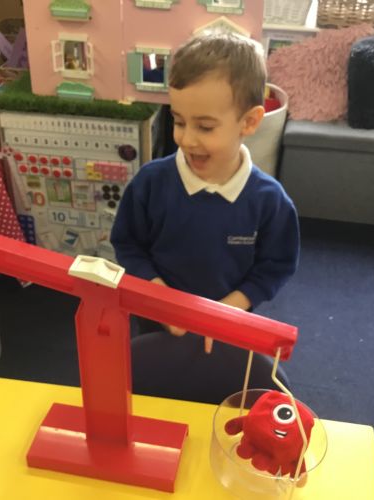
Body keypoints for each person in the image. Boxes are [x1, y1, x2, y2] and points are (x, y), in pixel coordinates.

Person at [110, 32, 299, 404]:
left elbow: (274, 267)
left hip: (230, 328)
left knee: (223, 402)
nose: (186, 139)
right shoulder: (151, 183)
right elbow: (128, 245)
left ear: (249, 122)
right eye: (179, 121)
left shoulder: (270, 201)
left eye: (205, 127)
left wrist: (224, 312)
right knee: (153, 397)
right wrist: (162, 299)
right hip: (156, 324)